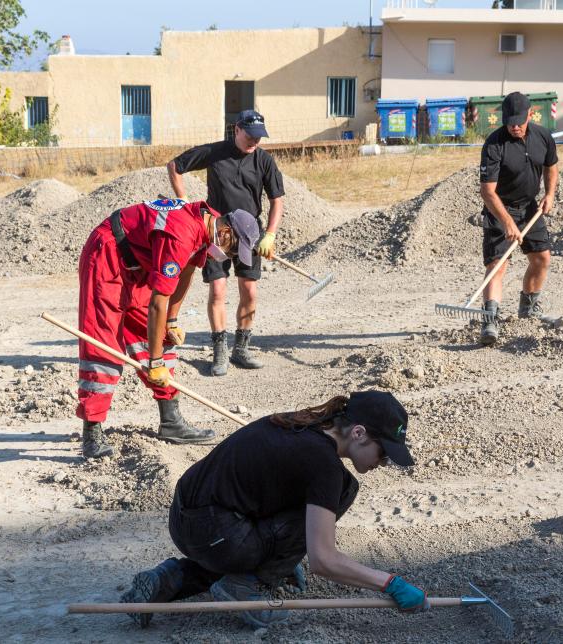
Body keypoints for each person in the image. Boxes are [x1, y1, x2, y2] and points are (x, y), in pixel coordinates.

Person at [119, 391, 430, 630]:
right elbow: (323, 560)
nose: (383, 462)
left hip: (189, 518)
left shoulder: (302, 424)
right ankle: (245, 584)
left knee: (342, 486)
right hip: (216, 531)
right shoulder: (323, 464)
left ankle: (172, 579)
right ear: (358, 433)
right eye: (384, 453)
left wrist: (279, 557)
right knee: (344, 490)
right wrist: (390, 583)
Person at [75, 197, 260, 459]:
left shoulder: (209, 223)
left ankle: (171, 422)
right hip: (107, 255)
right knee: (103, 345)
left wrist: (172, 320)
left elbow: (185, 273)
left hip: (139, 262)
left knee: (162, 337)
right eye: (233, 249)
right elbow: (157, 303)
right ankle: (92, 431)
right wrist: (154, 360)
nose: (229, 257)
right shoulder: (182, 234)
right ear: (226, 232)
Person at [167, 109, 285, 377]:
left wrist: (271, 234)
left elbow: (277, 200)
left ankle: (241, 348)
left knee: (249, 291)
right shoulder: (215, 152)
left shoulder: (264, 160)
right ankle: (219, 350)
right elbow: (175, 166)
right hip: (216, 233)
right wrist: (185, 204)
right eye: (251, 136)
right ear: (237, 129)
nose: (255, 142)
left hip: (248, 232)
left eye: (259, 137)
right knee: (218, 290)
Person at [478, 91, 559, 346]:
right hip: (499, 208)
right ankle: (490, 321)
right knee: (497, 265)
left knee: (541, 258)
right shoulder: (494, 144)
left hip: (530, 209)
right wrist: (507, 223)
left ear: (529, 115)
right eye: (509, 120)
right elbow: (487, 192)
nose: (514, 126)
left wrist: (550, 194)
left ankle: (528, 310)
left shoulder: (543, 137)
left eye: (519, 121)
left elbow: (551, 166)